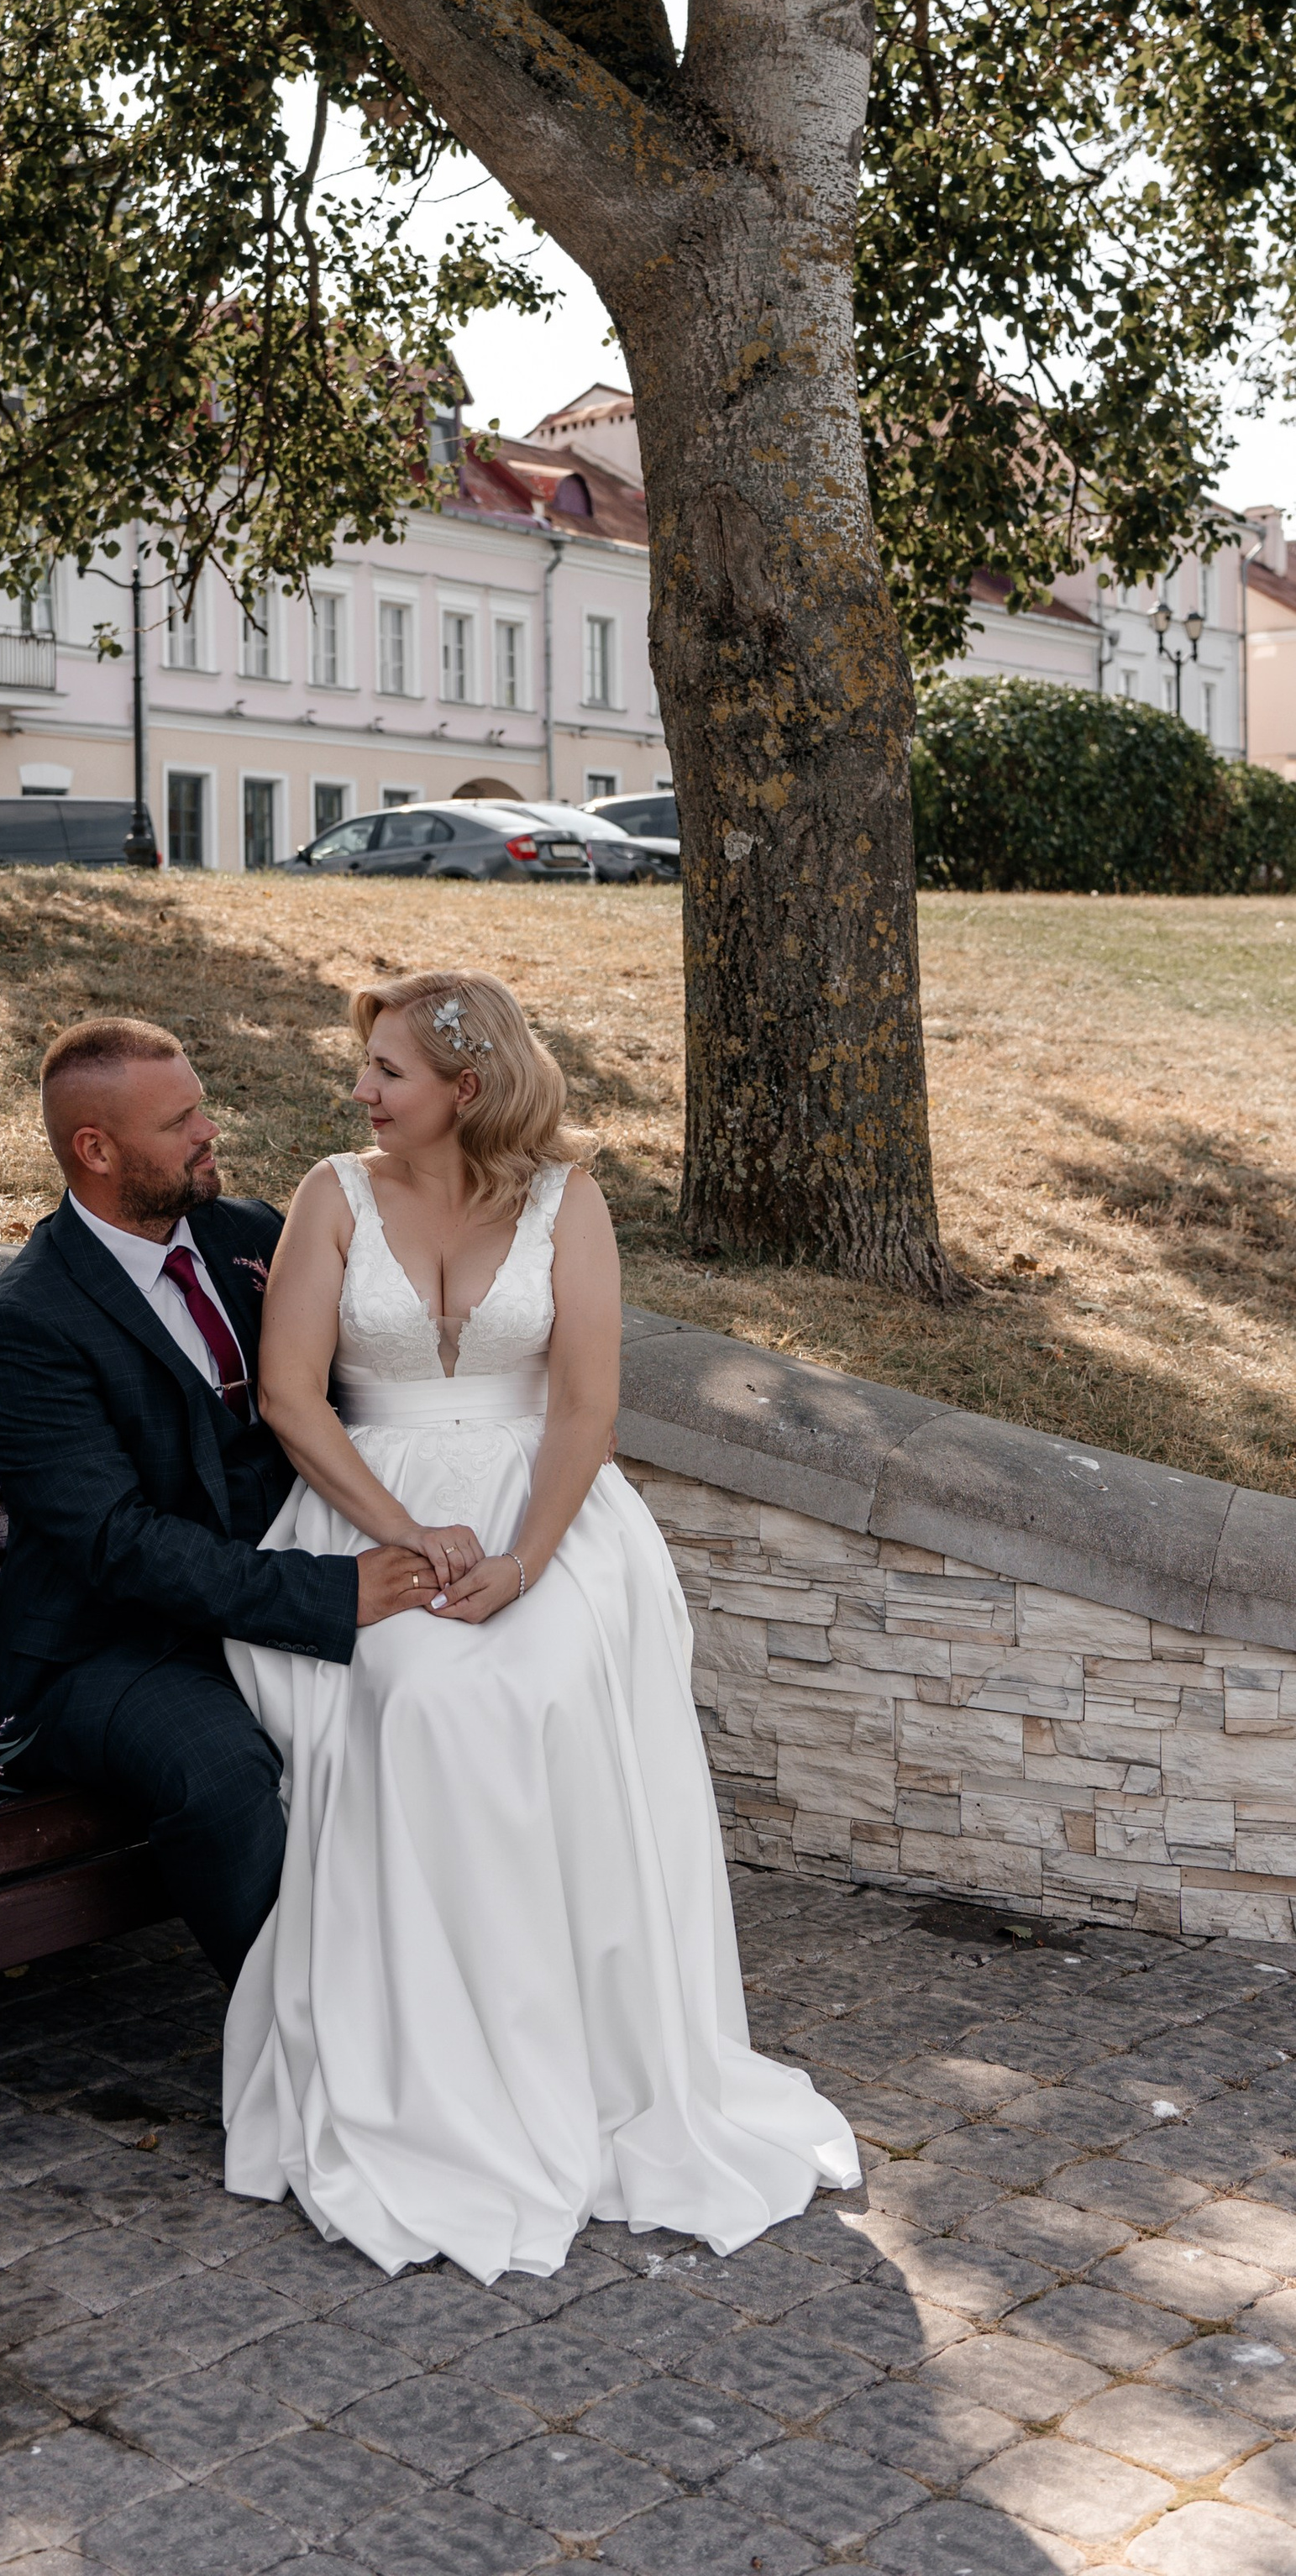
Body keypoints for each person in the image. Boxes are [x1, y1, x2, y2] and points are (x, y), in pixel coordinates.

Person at [223, 968, 860, 2280]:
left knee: (552, 1684)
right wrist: (400, 1531)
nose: (360, 1093)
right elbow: (292, 1399)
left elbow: (586, 1411)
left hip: (543, 1512)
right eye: (367, 1074)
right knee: (417, 1697)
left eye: (387, 1073)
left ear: (468, 1088)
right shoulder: (331, 1197)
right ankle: (437, 2077)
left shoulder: (570, 1205)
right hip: (370, 1503)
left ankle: (586, 2063)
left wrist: (523, 1559)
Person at [0, 1016, 442, 1982]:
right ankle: (303, 2046)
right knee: (221, 1771)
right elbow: (116, 1544)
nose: (209, 1131)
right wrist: (332, 1595)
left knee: (453, 1699)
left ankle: (437, 1998)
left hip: (264, 1598)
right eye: (180, 1120)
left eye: (201, 1107)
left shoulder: (252, 1238)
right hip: (110, 1649)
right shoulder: (30, 1324)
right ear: (95, 1151)